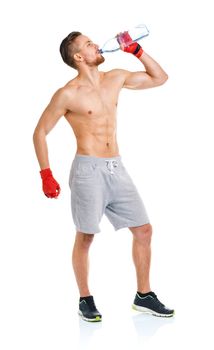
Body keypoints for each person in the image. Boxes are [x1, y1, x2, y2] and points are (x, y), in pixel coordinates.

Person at [33, 31, 174, 322]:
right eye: (88, 44)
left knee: (144, 230)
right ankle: (85, 299)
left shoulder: (116, 78)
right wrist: (46, 173)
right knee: (85, 236)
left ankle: (144, 295)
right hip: (88, 170)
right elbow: (40, 132)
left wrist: (136, 51)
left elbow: (160, 78)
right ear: (78, 57)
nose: (96, 45)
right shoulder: (67, 93)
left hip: (116, 167)